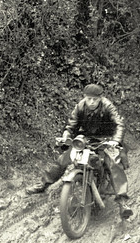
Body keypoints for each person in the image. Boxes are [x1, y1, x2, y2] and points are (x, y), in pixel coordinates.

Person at [26, 84, 133, 219]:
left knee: (113, 163)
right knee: (63, 159)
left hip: (107, 139)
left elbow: (119, 124)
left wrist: (115, 140)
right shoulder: (80, 106)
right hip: (86, 139)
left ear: (100, 98)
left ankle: (122, 202)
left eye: (95, 99)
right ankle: (43, 184)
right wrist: (66, 136)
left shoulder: (108, 106)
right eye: (89, 98)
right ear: (84, 97)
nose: (91, 102)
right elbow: (71, 125)